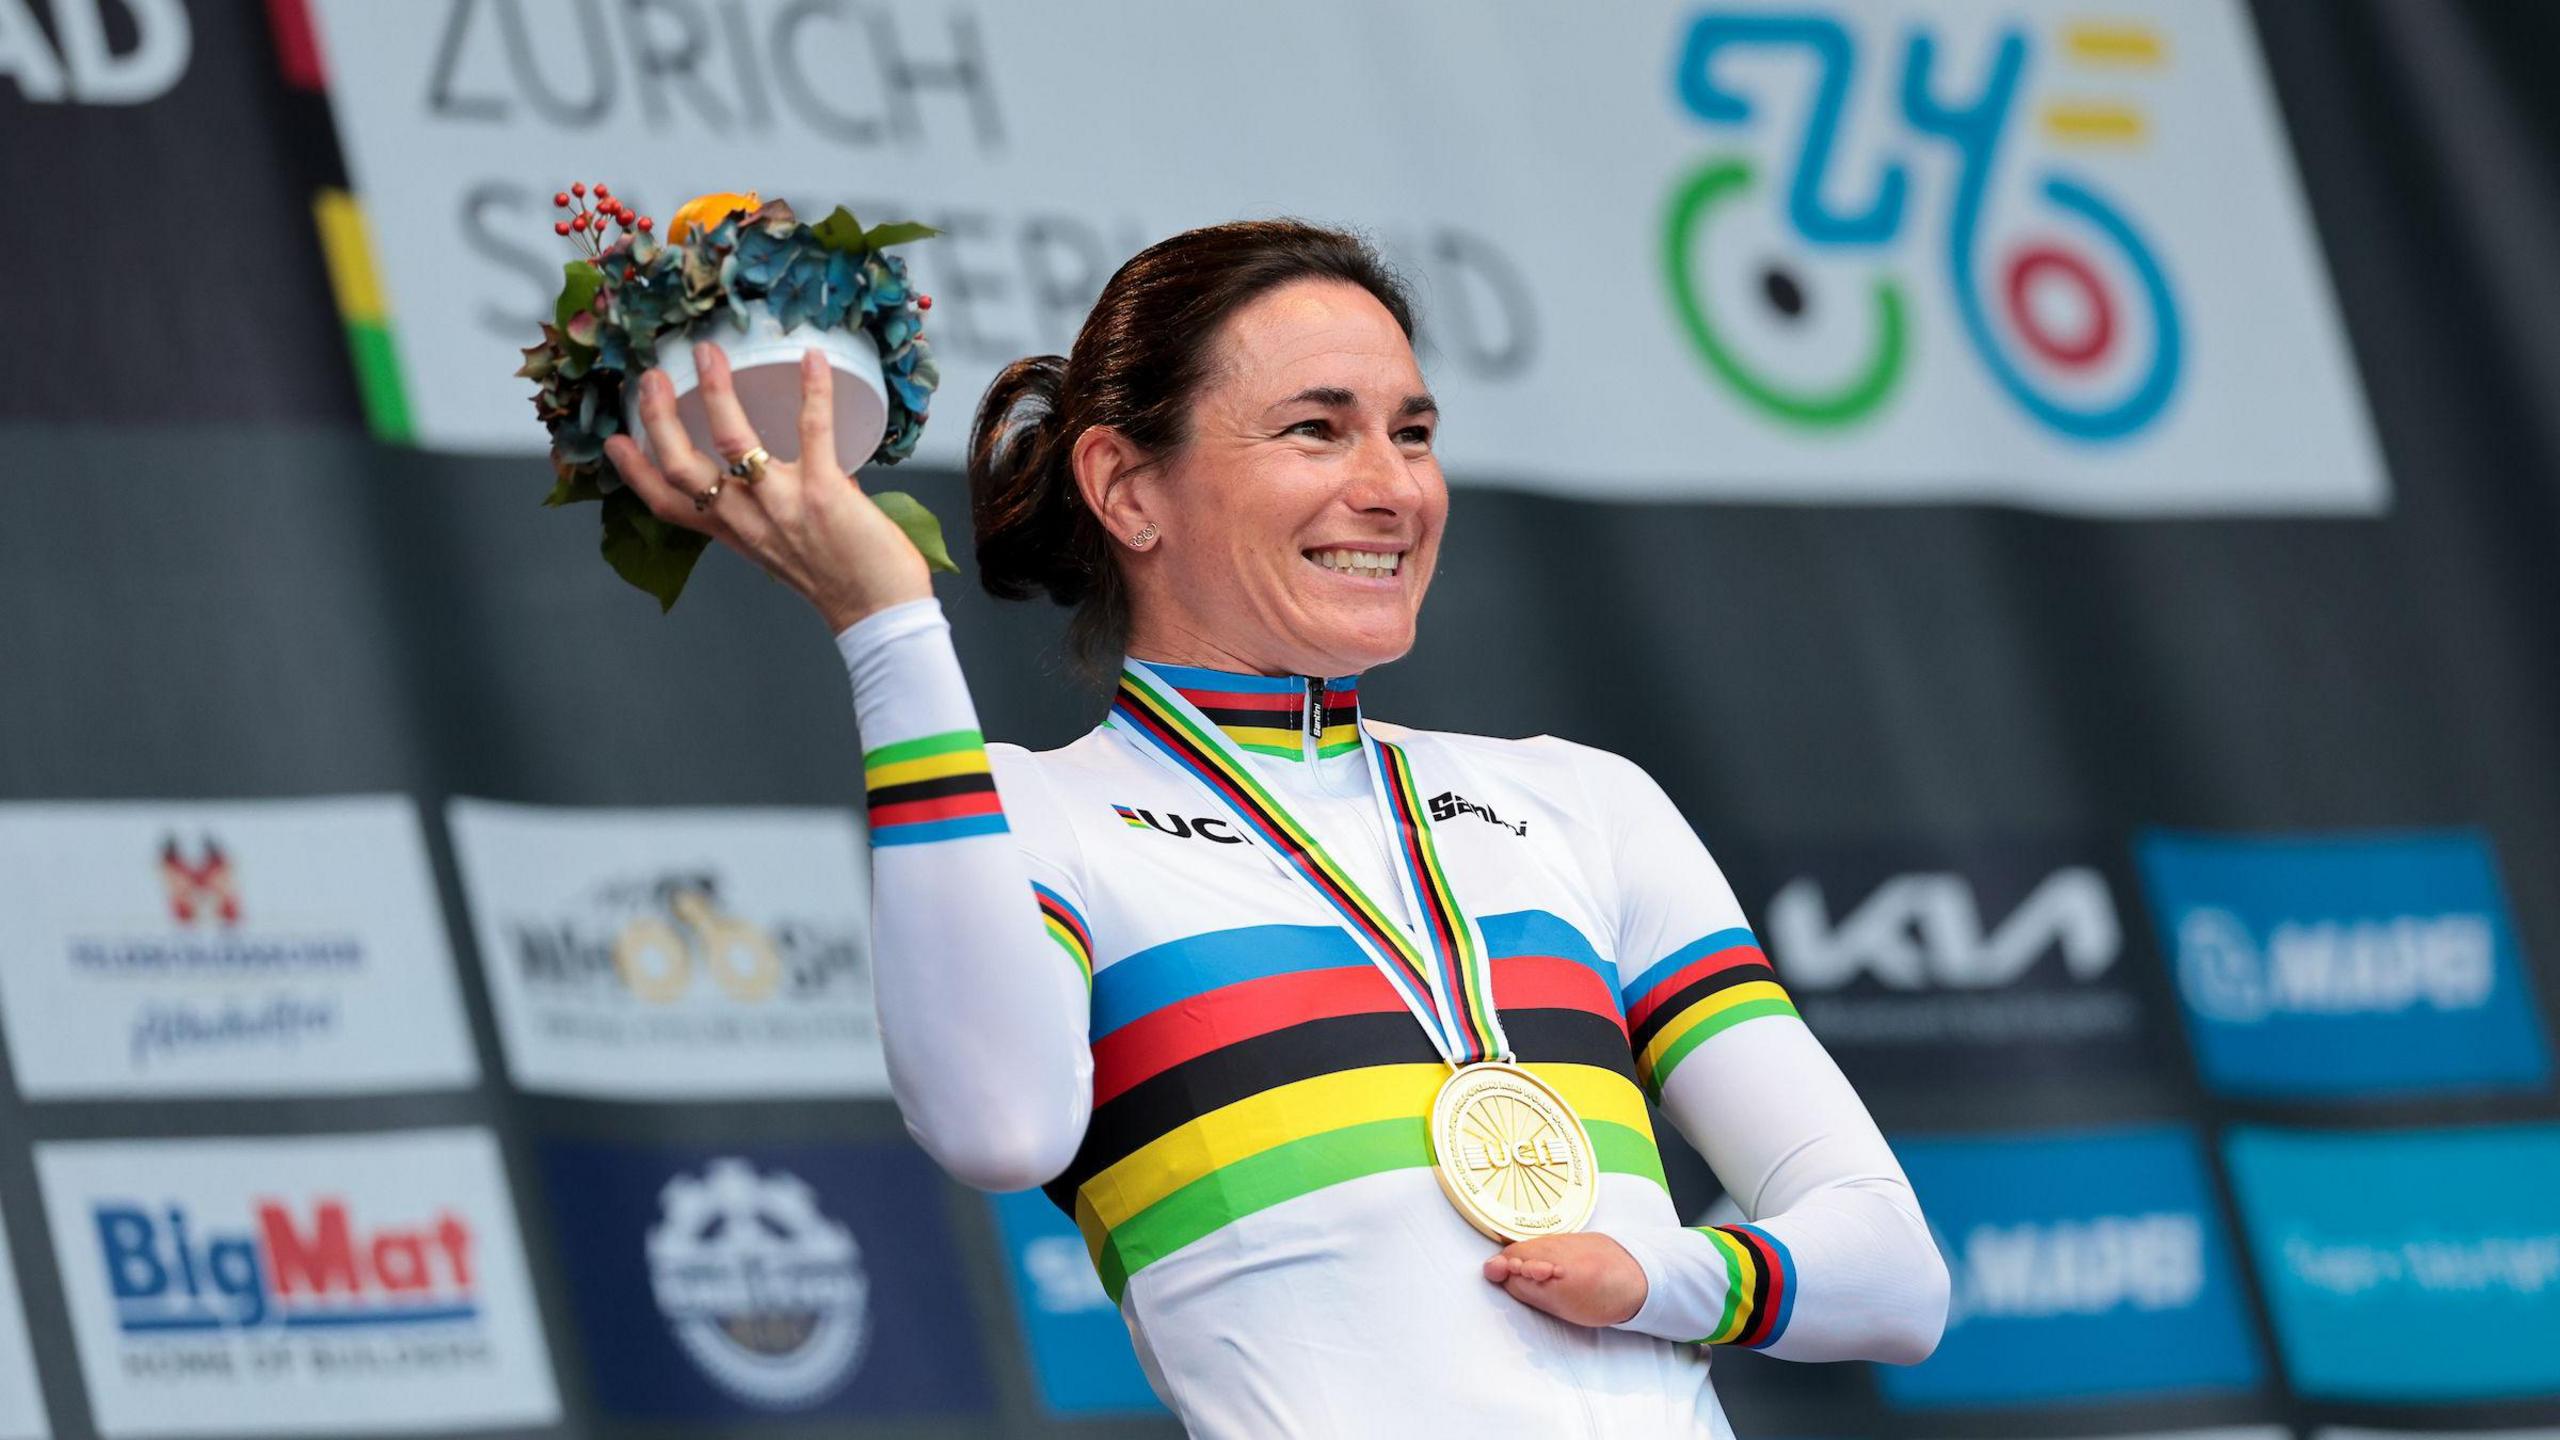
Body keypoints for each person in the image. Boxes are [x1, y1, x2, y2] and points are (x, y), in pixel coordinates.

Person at [602, 219, 1948, 1438]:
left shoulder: (1581, 802)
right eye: (1318, 430)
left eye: (1411, 434)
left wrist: (1663, 1276)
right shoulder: (1036, 815)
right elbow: (997, 1126)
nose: (1392, 489)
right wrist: (888, 627)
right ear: (1126, 491)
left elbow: (1892, 1269)